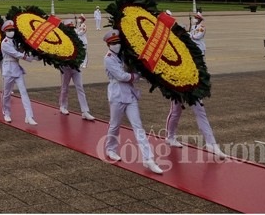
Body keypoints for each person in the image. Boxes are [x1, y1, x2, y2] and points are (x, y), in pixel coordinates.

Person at [165, 12, 227, 158]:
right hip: (178, 84)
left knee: (200, 112)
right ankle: (170, 136)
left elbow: (196, 40)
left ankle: (212, 144)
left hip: (192, 83)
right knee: (176, 111)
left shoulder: (195, 39)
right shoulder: (175, 48)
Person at [102, 29, 163, 174]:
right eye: (113, 43)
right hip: (117, 94)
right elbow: (121, 76)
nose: (116, 45)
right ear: (108, 45)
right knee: (115, 125)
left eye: (118, 42)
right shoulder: (108, 58)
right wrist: (138, 75)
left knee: (138, 127)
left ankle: (149, 159)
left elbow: (131, 68)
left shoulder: (124, 55)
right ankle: (110, 148)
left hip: (129, 95)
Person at [0, 20, 37, 125]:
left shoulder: (16, 41)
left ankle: (29, 116)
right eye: (9, 30)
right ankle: (6, 112)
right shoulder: (5, 43)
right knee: (6, 94)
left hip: (17, 69)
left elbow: (21, 51)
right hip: (8, 69)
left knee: (24, 92)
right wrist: (30, 58)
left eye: (12, 29)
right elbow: (16, 54)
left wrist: (33, 54)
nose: (11, 31)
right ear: (5, 32)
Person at [58, 21, 95, 121]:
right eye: (69, 28)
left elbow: (82, 50)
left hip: (75, 67)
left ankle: (85, 111)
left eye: (72, 28)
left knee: (80, 87)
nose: (71, 30)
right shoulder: (61, 40)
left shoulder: (77, 39)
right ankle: (63, 106)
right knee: (65, 87)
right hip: (65, 67)